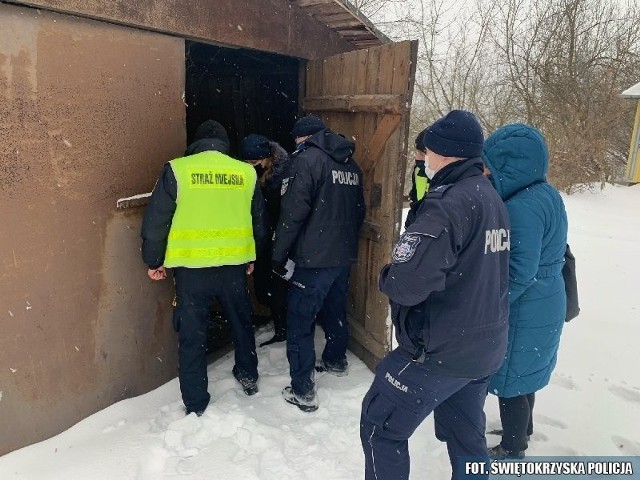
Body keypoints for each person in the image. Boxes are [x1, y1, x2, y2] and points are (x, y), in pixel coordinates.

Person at [360, 110, 511, 480]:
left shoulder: (446, 204)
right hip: (483, 348)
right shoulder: (491, 197)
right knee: (465, 437)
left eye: (427, 152)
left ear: (442, 153)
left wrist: (387, 274)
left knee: (380, 426)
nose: (424, 159)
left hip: (438, 352)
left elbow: (407, 284)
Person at [141, 120, 269, 415]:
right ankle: (248, 376)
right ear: (225, 144)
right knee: (241, 323)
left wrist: (154, 261)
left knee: (192, 335)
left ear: (196, 143)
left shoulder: (177, 170)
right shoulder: (245, 172)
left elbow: (156, 221)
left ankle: (196, 401)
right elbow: (259, 224)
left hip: (191, 270)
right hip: (233, 268)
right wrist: (252, 257)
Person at [482, 124, 568, 459]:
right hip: (546, 295)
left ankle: (513, 445)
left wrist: (494, 304)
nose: (486, 171)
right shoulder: (545, 193)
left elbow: (520, 270)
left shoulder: (520, 207)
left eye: (491, 165)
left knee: (511, 376)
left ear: (510, 165)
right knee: (526, 371)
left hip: (527, 302)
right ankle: (524, 428)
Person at [272, 115, 365, 412]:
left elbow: (292, 214)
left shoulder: (306, 160)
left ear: (301, 138)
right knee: (335, 307)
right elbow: (359, 211)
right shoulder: (351, 163)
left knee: (300, 319)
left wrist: (278, 255)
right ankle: (336, 360)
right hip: (342, 254)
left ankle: (302, 389)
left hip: (313, 259)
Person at [238, 133, 291, 347]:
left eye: (254, 162)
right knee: (262, 288)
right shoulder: (250, 176)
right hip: (260, 237)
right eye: (247, 163)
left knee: (278, 287)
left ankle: (282, 329)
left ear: (267, 158)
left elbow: (287, 209)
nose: (251, 166)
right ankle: (278, 318)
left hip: (279, 237)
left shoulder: (285, 173)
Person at [404, 128, 430, 228]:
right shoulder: (418, 170)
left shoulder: (447, 179)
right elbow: (415, 199)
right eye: (417, 152)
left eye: (422, 154)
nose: (417, 158)